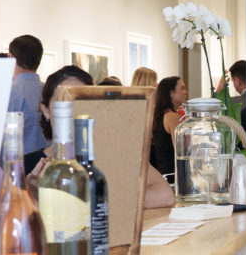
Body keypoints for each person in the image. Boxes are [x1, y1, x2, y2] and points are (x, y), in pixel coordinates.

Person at [27, 66, 175, 209]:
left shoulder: (113, 154)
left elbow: (164, 195)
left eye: (81, 103)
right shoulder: (28, 166)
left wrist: (95, 200)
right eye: (64, 104)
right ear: (46, 111)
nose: (73, 112)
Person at [7, 35, 46, 155]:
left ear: (11, 57)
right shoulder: (49, 91)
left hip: (18, 163)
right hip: (47, 161)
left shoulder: (9, 93)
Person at [149, 76, 188, 177]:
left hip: (162, 172)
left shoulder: (158, 115)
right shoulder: (172, 117)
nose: (186, 92)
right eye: (182, 88)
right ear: (171, 93)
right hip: (173, 174)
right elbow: (182, 150)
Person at [228, 59, 246, 134]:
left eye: (233, 81)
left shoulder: (235, 103)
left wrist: (219, 89)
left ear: (237, 81)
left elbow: (213, 107)